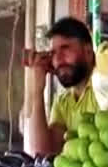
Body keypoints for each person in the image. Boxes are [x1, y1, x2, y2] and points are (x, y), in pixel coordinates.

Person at [28, 17, 99, 155]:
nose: (58, 59)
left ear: (88, 52)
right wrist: (37, 91)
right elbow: (41, 152)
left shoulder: (105, 89)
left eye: (65, 49)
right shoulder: (62, 102)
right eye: (53, 53)